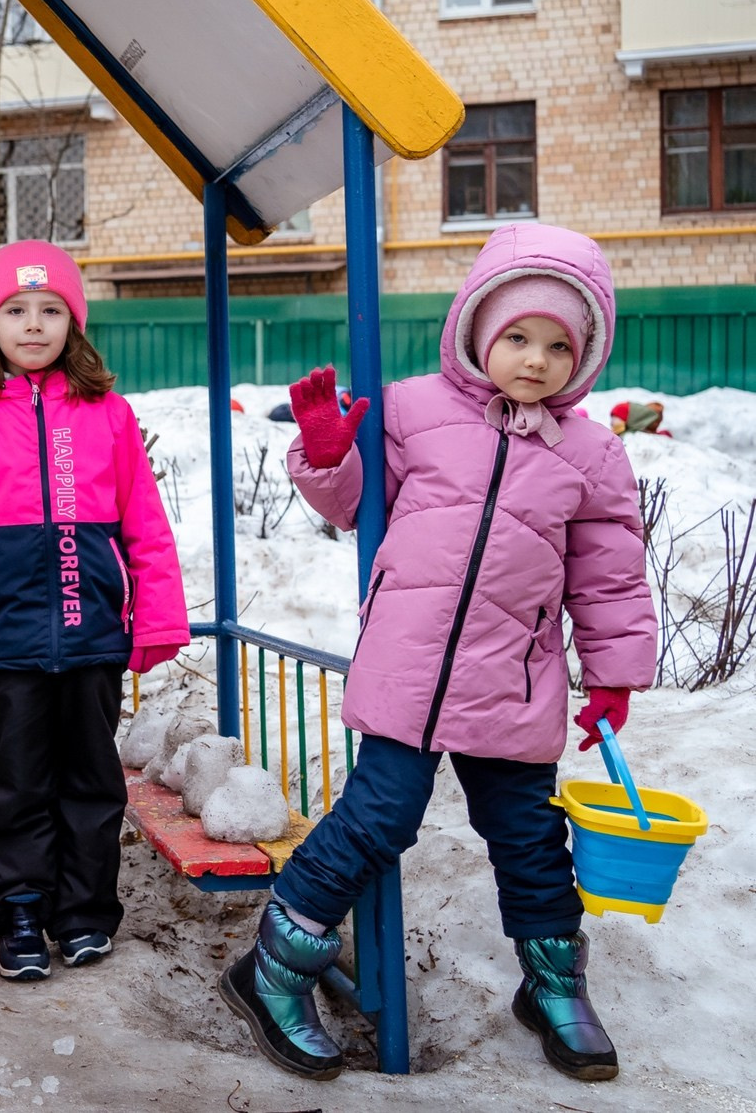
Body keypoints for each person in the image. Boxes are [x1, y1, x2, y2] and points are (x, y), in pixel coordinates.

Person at [220, 224, 653, 1084]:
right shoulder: (413, 408)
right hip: (410, 665)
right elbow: (351, 507)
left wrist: (612, 674)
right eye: (518, 336)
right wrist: (323, 453)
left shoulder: (591, 452)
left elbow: (608, 575)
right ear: (476, 327)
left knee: (526, 833)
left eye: (558, 344)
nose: (534, 360)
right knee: (378, 818)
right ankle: (273, 970)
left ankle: (553, 983)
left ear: (587, 352)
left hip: (515, 676)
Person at [0, 240, 189, 980]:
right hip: (3, 639)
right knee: (16, 781)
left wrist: (156, 615)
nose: (32, 324)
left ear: (73, 322)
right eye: (15, 310)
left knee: (92, 782)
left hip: (93, 630)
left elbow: (144, 524)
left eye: (49, 309)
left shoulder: (108, 413)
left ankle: (85, 913)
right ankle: (22, 910)